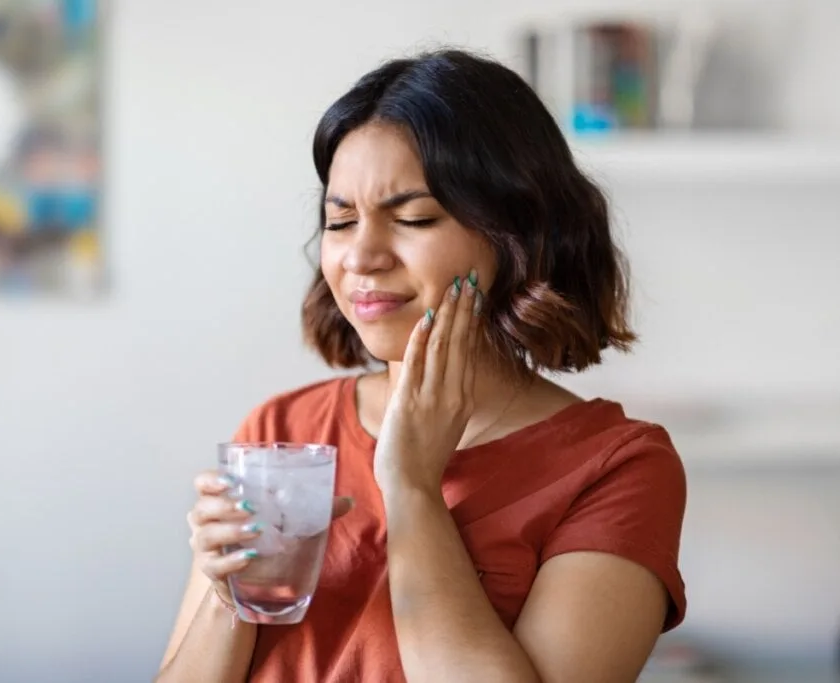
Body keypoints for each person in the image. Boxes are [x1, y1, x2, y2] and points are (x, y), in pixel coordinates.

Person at [156, 48, 687, 683]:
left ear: (516, 234)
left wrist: (410, 486)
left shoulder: (618, 468)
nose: (362, 256)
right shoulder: (280, 430)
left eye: (413, 218)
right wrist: (231, 598)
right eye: (340, 221)